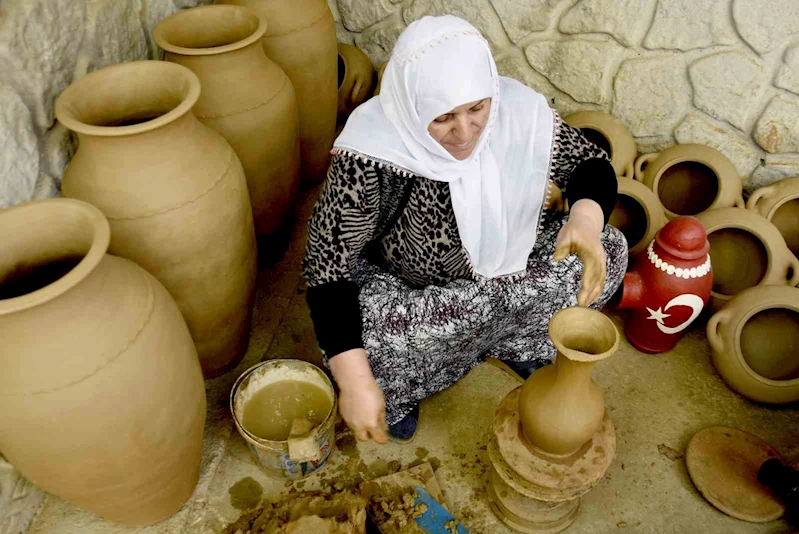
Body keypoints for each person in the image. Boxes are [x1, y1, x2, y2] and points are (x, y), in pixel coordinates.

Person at [302, 15, 627, 445]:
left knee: (608, 247)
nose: (466, 131)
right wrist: (354, 380)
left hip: (500, 275)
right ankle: (396, 390)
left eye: (477, 108)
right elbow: (326, 267)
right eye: (443, 118)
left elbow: (590, 164)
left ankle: (519, 343)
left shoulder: (515, 112)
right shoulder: (371, 152)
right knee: (365, 340)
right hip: (410, 290)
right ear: (412, 108)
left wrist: (584, 219)